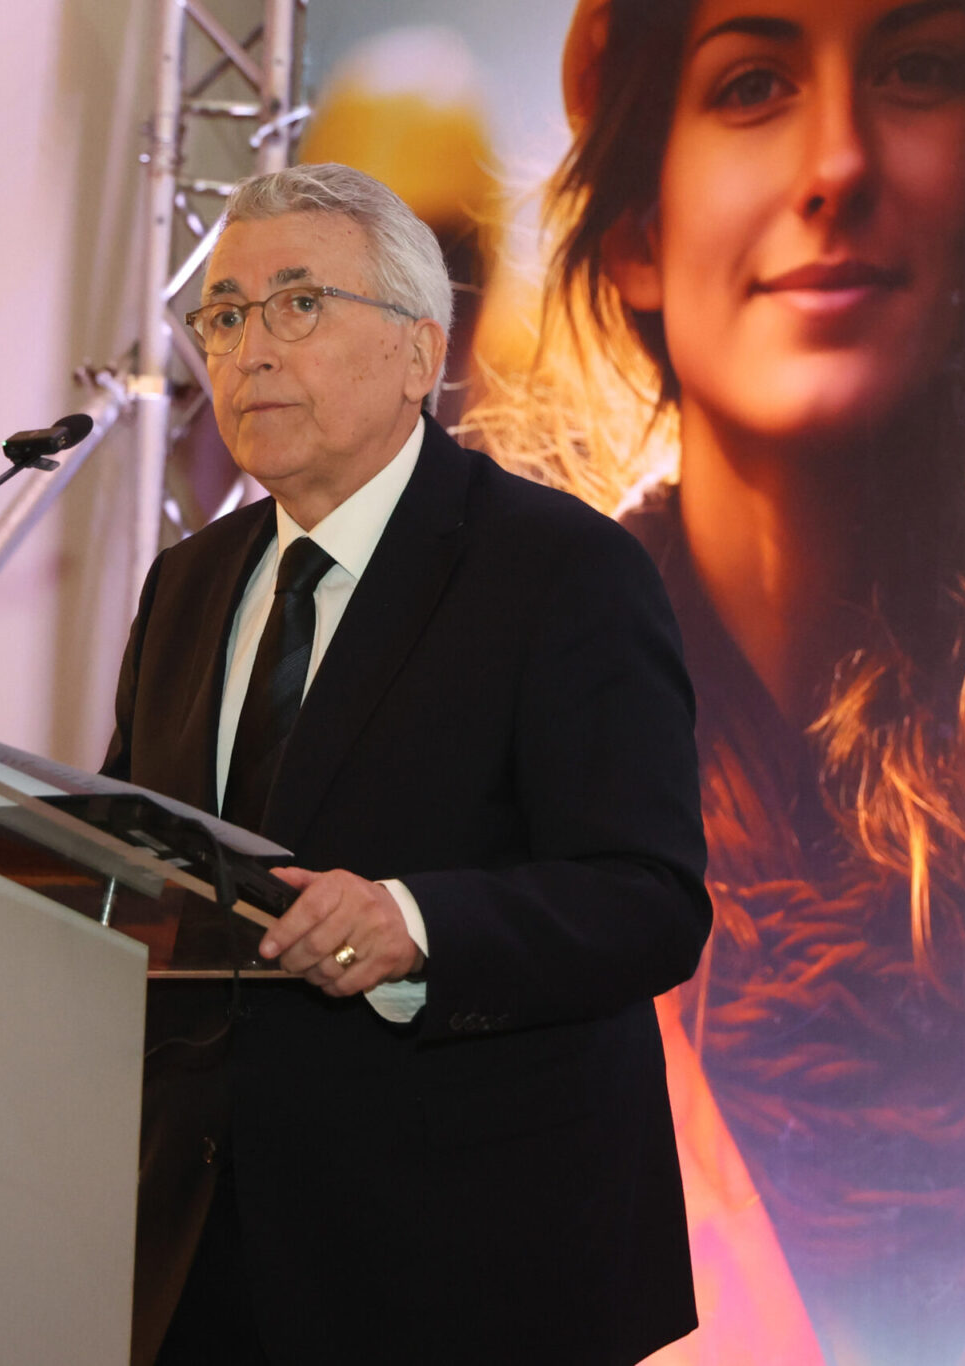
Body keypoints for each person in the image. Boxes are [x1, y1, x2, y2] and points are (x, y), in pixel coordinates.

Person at [468, 0, 965, 1360]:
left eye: (919, 69)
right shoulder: (469, 816)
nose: (838, 161)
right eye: (751, 83)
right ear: (637, 228)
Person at [103, 162, 712, 1366]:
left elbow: (648, 901)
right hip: (198, 1254)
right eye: (221, 315)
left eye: (296, 304)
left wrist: (414, 925)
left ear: (416, 350)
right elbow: (143, 863)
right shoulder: (187, 583)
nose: (247, 351)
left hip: (464, 1261)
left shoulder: (559, 570)